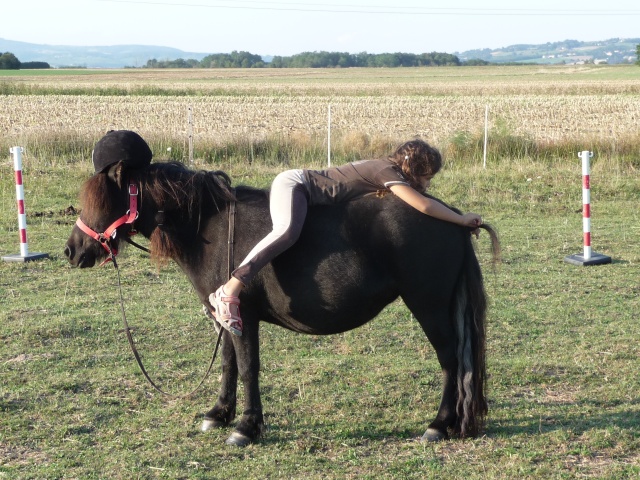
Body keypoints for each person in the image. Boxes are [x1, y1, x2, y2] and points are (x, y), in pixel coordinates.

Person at [209, 139, 482, 337]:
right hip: (295, 185)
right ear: (414, 169)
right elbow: (422, 204)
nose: (427, 184)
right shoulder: (387, 172)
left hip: (307, 193)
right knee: (286, 232)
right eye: (427, 177)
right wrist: (460, 219)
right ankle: (230, 288)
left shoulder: (387, 170)